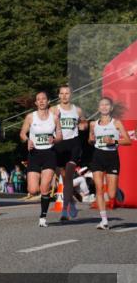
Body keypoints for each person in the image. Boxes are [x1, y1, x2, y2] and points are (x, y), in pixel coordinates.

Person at [19, 90, 62, 227]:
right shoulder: (30, 117)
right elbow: (22, 133)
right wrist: (27, 141)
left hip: (49, 153)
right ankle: (46, 190)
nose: (42, 101)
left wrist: (54, 140)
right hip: (34, 154)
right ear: (36, 103)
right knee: (32, 190)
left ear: (48, 101)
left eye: (44, 98)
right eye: (39, 99)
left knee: (44, 187)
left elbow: (60, 136)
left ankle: (43, 217)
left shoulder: (54, 117)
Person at [89, 96, 131, 230]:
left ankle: (117, 190)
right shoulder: (93, 124)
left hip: (112, 157)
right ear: (98, 108)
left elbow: (128, 141)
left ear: (111, 108)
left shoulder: (116, 123)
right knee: (99, 188)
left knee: (111, 195)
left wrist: (114, 142)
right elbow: (90, 140)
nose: (104, 107)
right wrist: (91, 139)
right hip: (97, 157)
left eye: (107, 105)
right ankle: (104, 220)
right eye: (102, 105)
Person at [53, 85, 87, 221]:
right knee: (62, 177)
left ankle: (65, 210)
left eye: (67, 93)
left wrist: (83, 126)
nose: (65, 96)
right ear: (59, 95)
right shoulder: (53, 109)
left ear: (71, 95)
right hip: (59, 144)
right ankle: (72, 202)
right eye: (62, 93)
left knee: (68, 176)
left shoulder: (77, 110)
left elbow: (84, 123)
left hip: (73, 143)